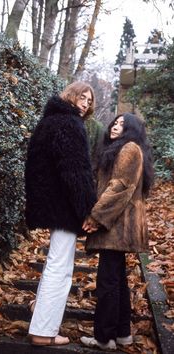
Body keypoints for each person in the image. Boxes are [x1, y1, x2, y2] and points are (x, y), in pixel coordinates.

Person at [25, 81, 97, 346]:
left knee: (56, 263)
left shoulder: (49, 121)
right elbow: (75, 171)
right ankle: (44, 331)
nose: (86, 102)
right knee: (60, 267)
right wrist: (87, 210)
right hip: (64, 204)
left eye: (90, 100)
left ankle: (40, 327)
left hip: (51, 201)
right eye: (83, 96)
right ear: (71, 95)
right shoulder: (69, 124)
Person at [80, 113, 154, 351]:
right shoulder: (124, 149)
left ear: (132, 130)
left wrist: (96, 217)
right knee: (117, 280)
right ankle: (122, 333)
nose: (115, 126)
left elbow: (119, 188)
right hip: (118, 226)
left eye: (123, 124)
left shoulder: (129, 149)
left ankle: (104, 337)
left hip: (117, 226)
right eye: (115, 122)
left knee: (107, 282)